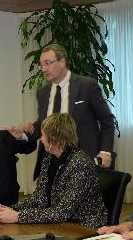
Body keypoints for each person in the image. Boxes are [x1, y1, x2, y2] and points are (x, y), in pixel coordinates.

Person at [18, 43, 115, 179]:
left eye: (48, 63)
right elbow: (43, 124)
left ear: (62, 62)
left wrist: (105, 151)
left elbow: (107, 121)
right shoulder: (43, 92)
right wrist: (23, 134)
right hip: (51, 162)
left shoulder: (86, 86)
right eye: (42, 65)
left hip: (83, 161)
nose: (44, 69)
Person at [0, 113, 108, 228]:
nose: (41, 140)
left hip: (85, 227)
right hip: (61, 223)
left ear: (53, 140)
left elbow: (62, 212)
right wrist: (12, 209)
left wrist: (18, 216)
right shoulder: (49, 159)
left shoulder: (81, 164)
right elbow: (39, 198)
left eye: (42, 135)